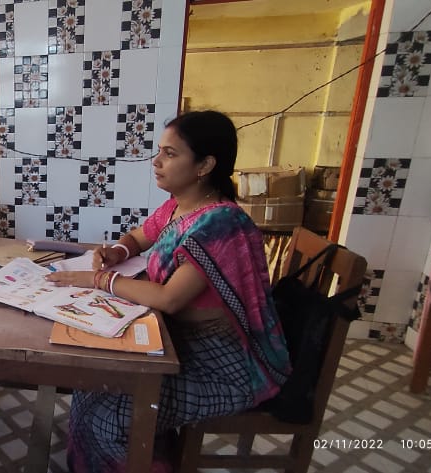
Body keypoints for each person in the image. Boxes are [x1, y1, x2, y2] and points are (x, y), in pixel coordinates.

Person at [46, 111, 292, 472]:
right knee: (92, 383)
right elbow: (139, 236)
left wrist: (99, 280)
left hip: (224, 368)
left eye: (170, 154)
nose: (156, 161)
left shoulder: (222, 223)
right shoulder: (178, 206)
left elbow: (169, 299)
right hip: (178, 344)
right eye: (159, 151)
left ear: (205, 165)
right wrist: (118, 252)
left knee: (109, 419)